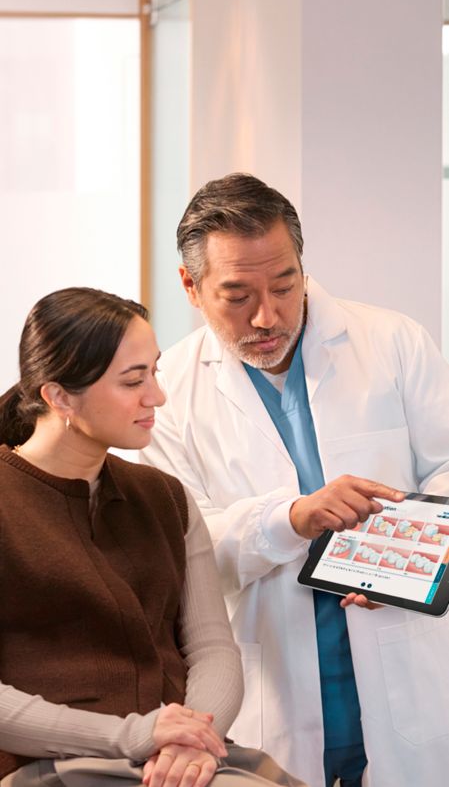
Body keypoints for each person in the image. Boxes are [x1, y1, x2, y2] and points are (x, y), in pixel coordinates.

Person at [140, 173, 449, 787]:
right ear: (190, 287)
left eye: (285, 286)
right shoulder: (166, 391)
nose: (268, 315)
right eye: (237, 295)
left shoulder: (392, 342)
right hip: (271, 684)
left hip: (405, 662)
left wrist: (417, 551)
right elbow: (182, 550)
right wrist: (290, 519)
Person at [0, 287, 308, 787]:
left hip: (180, 757)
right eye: (132, 381)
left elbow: (212, 648)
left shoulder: (165, 498)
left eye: (155, 371)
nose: (156, 397)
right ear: (58, 397)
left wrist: (193, 741)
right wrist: (136, 735)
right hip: (55, 764)